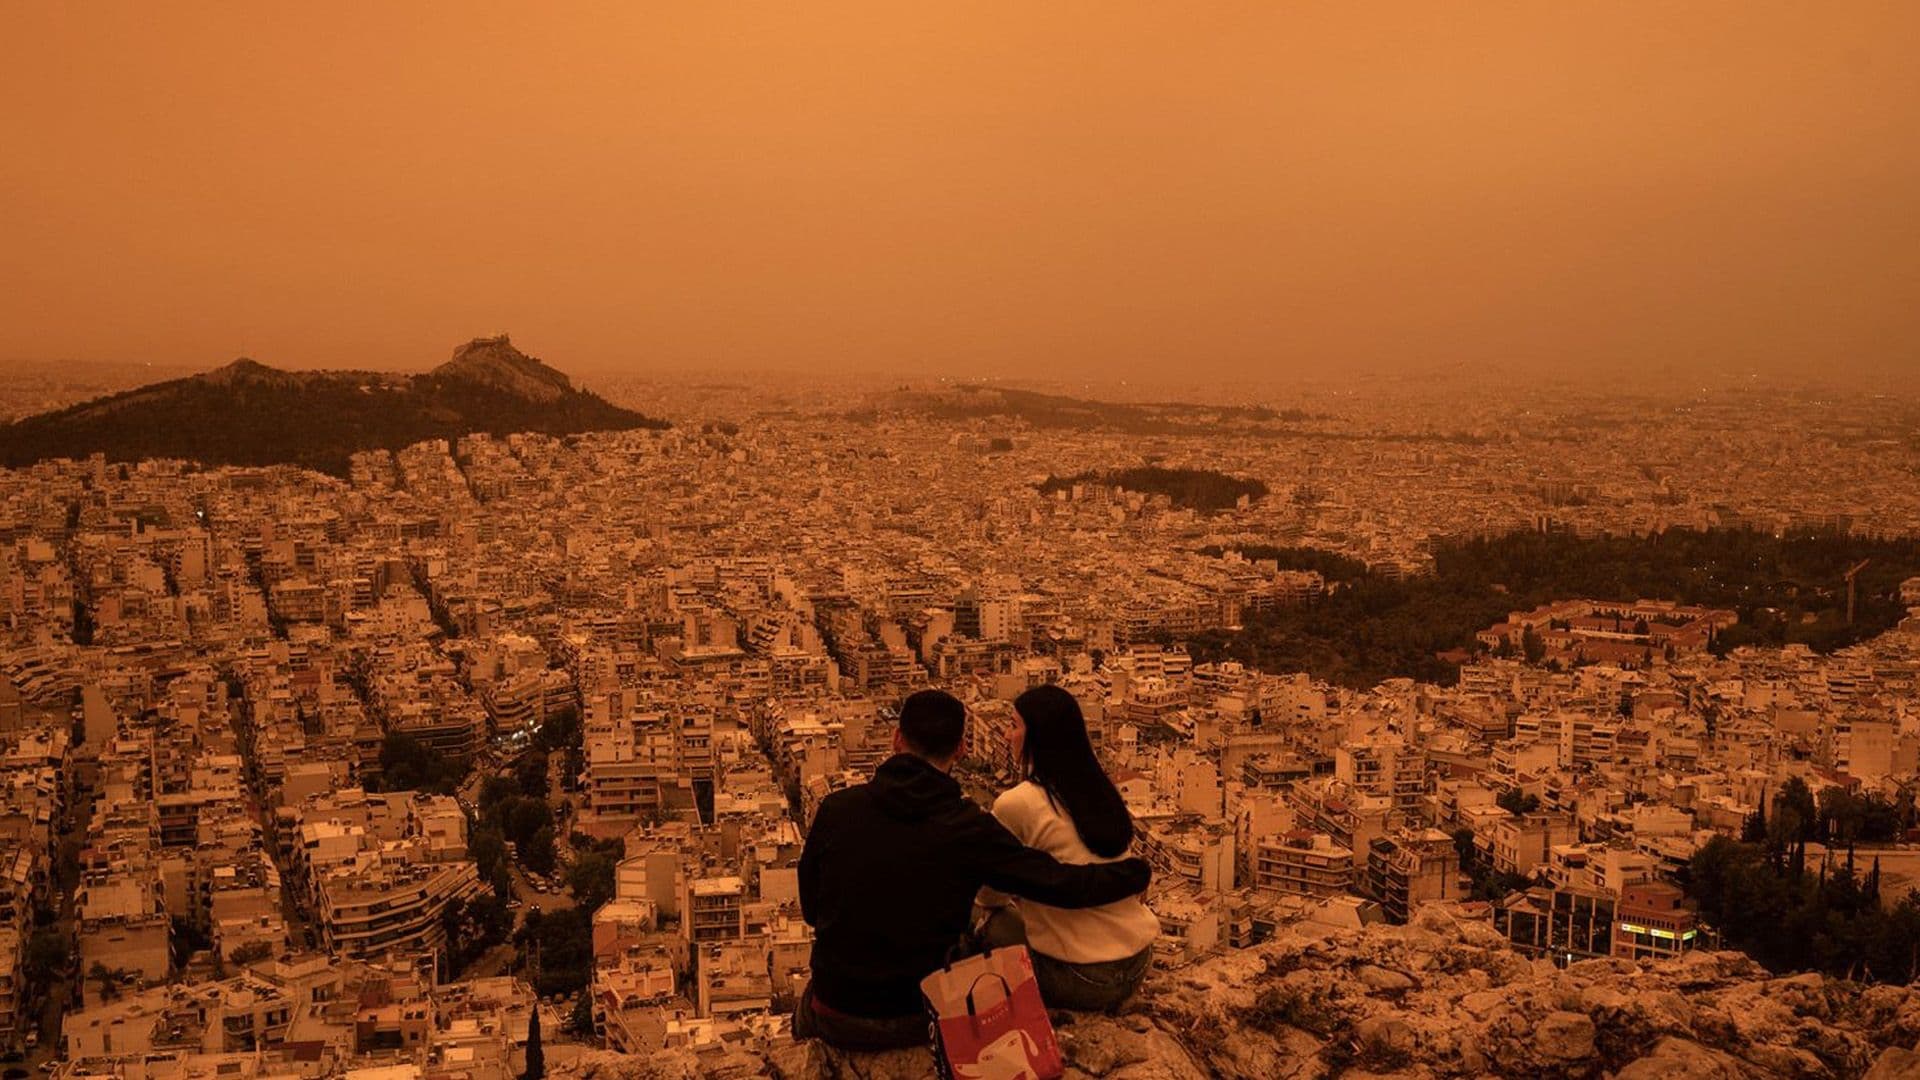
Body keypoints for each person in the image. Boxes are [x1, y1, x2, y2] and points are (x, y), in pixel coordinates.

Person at [795, 689, 1153, 1050]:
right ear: (962, 749)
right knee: (976, 920)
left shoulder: (836, 809)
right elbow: (1059, 883)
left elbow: (812, 911)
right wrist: (1132, 874)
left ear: (896, 739)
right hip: (924, 1015)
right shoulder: (969, 828)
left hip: (835, 1013)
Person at [976, 684, 1158, 1012]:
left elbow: (990, 896)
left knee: (977, 914)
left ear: (1038, 737)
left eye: (1015, 725)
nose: (1007, 735)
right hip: (1137, 964)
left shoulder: (1016, 803)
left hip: (1081, 980)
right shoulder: (1101, 792)